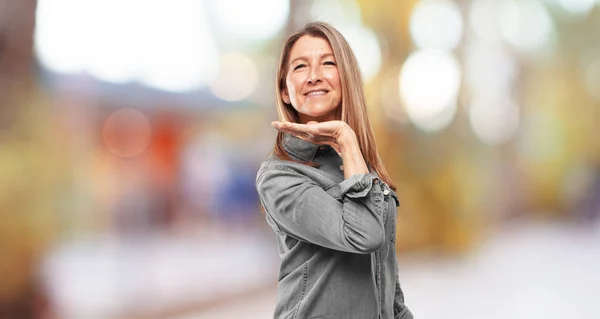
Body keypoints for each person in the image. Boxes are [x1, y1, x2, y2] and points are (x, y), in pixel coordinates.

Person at [255, 22, 413, 319]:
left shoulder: (359, 165)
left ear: (346, 79)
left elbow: (388, 285)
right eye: (300, 67)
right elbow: (363, 236)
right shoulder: (279, 176)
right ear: (285, 92)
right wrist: (345, 137)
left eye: (328, 63)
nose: (315, 76)